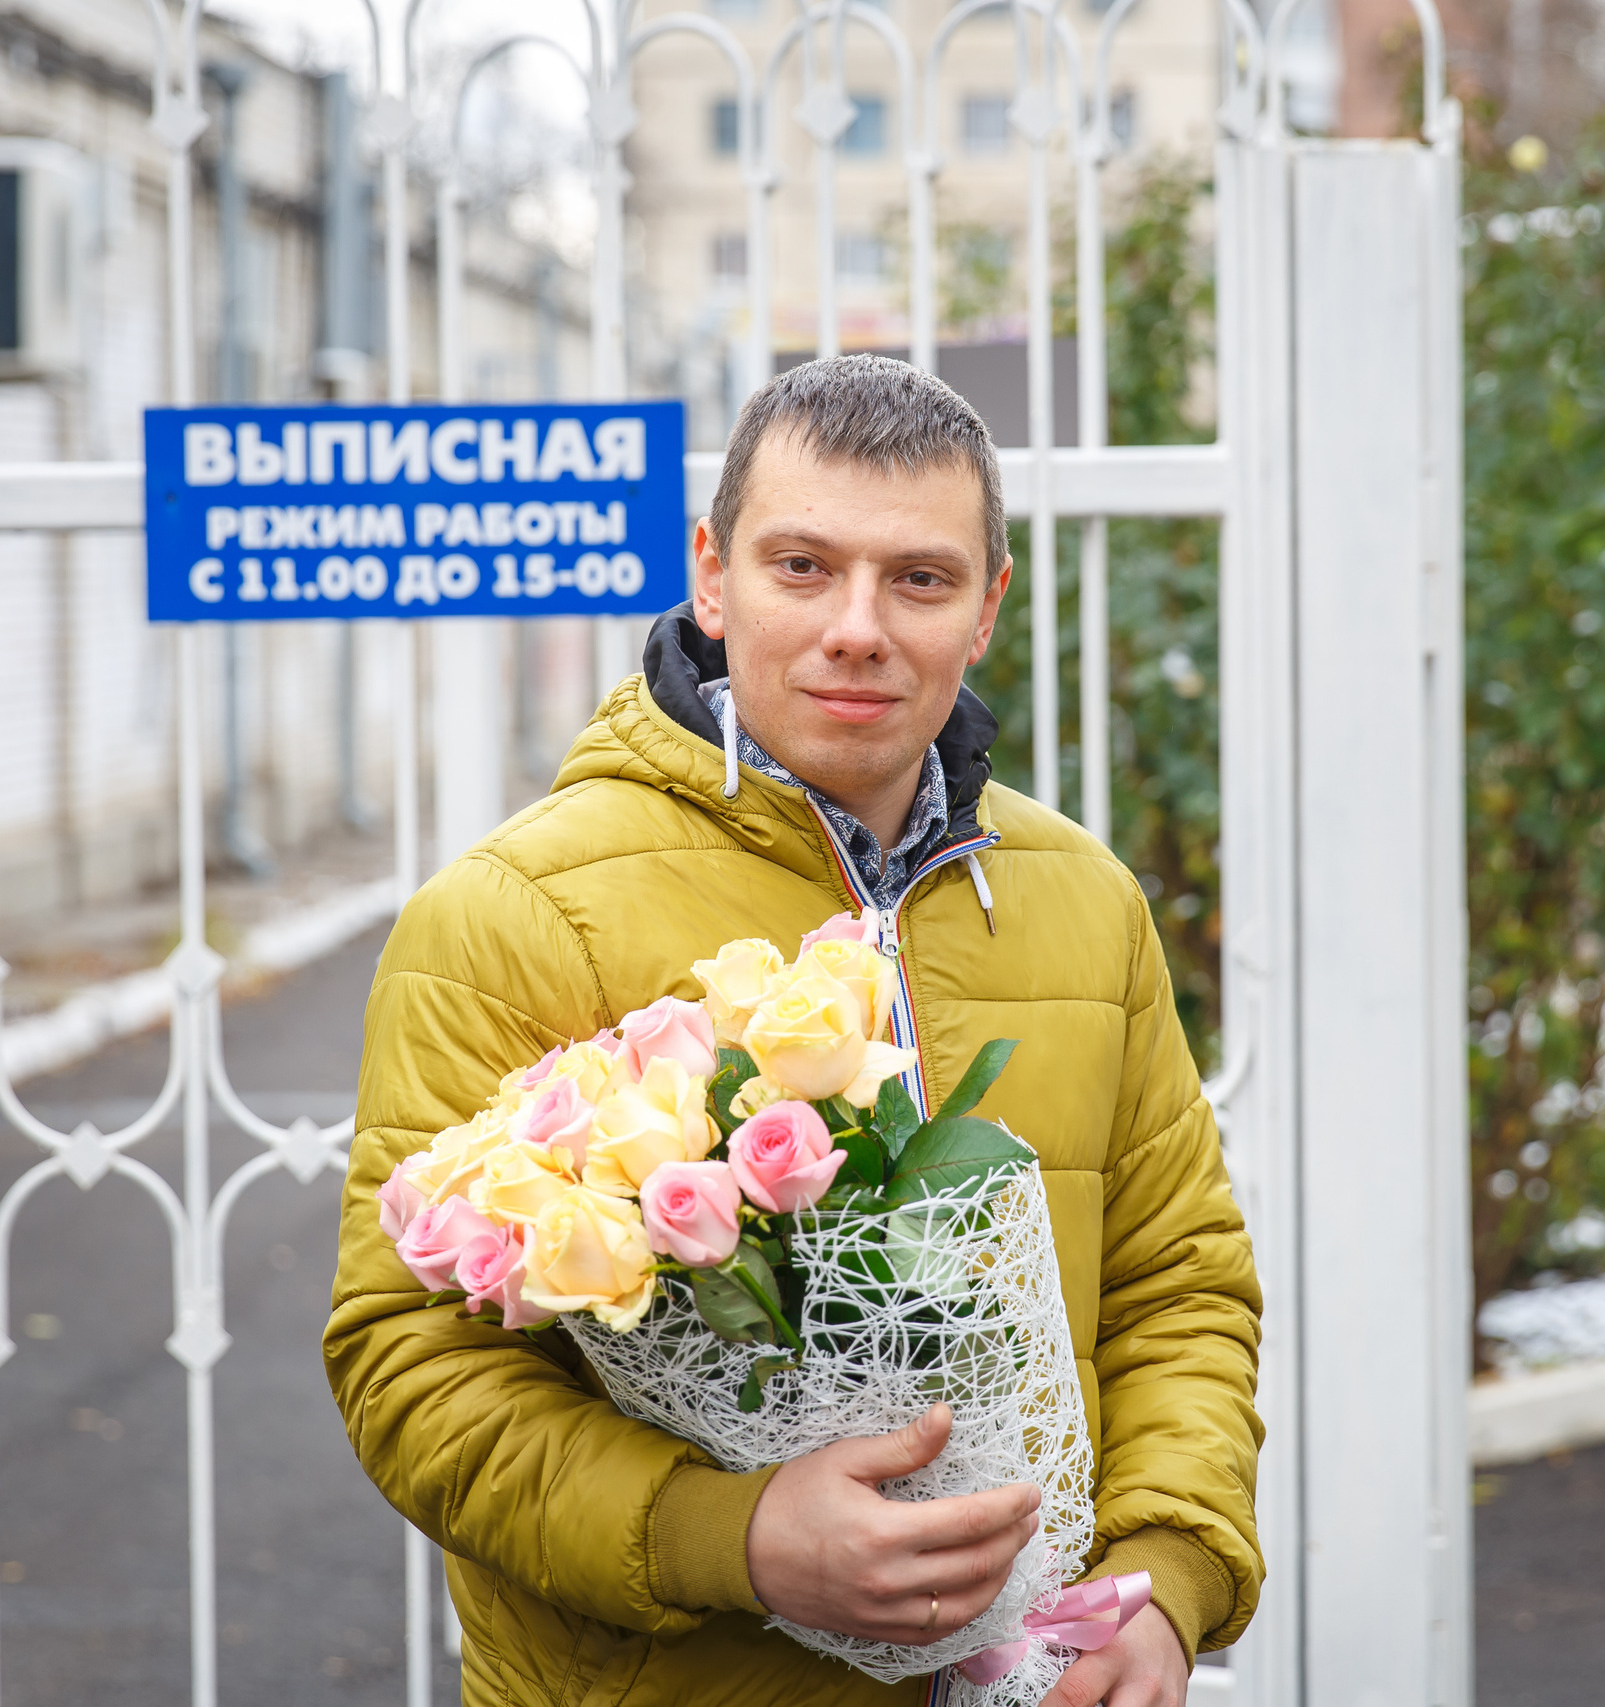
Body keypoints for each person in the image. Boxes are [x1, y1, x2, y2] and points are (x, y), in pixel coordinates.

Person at [326, 354, 1263, 1707]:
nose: (858, 628)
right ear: (714, 577)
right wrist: (738, 1539)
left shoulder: (1084, 902)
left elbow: (1177, 1288)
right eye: (803, 567)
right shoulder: (516, 915)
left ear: (989, 605)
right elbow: (411, 1369)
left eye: (920, 579)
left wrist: (1165, 1582)